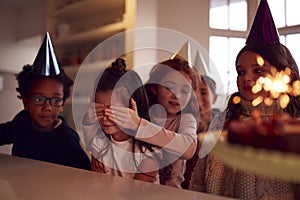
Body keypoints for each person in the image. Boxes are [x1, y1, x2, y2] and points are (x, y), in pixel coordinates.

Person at [190, 0, 300, 199]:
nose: (247, 78)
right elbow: (199, 180)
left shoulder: (294, 125)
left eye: (258, 70)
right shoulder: (222, 122)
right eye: (241, 72)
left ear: (285, 75)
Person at [104, 57, 202, 188]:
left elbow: (188, 149)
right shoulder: (140, 111)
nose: (176, 95)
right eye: (169, 87)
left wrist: (138, 125)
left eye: (184, 91)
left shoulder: (186, 119)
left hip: (170, 194)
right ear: (155, 88)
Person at [0, 33, 91, 170]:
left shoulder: (68, 140)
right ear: (26, 102)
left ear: (62, 104)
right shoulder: (21, 122)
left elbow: (86, 175)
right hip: (21, 189)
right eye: (38, 99)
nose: (47, 107)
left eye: (55, 100)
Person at [82, 57, 162, 183]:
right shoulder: (99, 143)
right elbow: (97, 186)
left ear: (134, 107)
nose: (105, 117)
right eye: (100, 110)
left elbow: (136, 193)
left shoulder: (148, 151)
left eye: (114, 111)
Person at [181, 74, 219, 189]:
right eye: (192, 93)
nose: (197, 97)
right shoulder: (182, 123)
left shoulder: (222, 126)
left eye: (203, 92)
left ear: (215, 97)